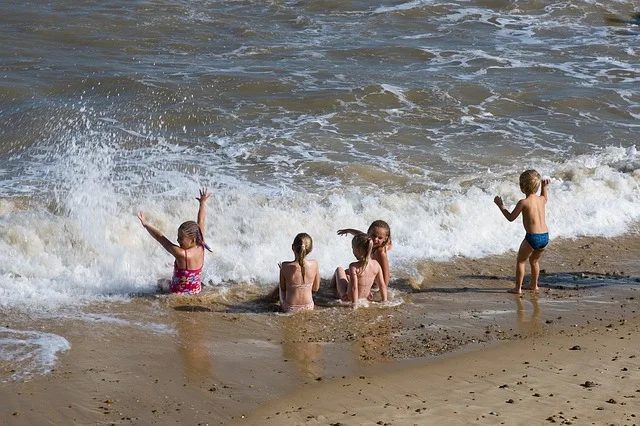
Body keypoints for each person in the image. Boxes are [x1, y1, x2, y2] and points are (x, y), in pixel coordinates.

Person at [138, 188, 212, 295]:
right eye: (178, 237)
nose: (178, 240)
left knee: (160, 282)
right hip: (196, 291)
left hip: (177, 293)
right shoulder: (201, 244)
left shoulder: (181, 253)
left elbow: (160, 237)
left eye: (181, 239)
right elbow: (201, 220)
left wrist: (146, 225)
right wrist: (203, 203)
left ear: (192, 240)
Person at [494, 170, 550, 295]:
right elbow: (545, 197)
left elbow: (510, 217)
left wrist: (500, 205)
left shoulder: (523, 202)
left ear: (522, 187)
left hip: (533, 237)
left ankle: (517, 288)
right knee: (534, 261)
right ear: (537, 186)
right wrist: (544, 187)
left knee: (521, 261)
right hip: (545, 236)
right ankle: (534, 285)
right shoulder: (541, 199)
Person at [332, 233, 387, 308]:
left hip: (348, 298)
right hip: (365, 297)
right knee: (347, 276)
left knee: (339, 270)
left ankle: (330, 289)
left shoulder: (354, 266)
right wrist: (384, 301)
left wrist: (355, 304)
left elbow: (354, 288)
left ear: (357, 250)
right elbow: (382, 285)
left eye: (353, 249)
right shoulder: (376, 264)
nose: (353, 252)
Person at [337, 220, 391, 293]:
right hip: (369, 277)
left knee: (342, 273)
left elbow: (386, 275)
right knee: (346, 273)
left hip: (374, 284)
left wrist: (382, 291)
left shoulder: (380, 252)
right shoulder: (368, 241)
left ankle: (338, 293)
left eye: (380, 238)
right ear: (368, 233)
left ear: (385, 239)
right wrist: (348, 230)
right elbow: (359, 234)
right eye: (373, 235)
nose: (375, 239)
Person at [279, 233, 320, 312]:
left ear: (293, 247)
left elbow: (283, 288)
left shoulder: (284, 266)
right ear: (310, 249)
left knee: (280, 287)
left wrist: (281, 270)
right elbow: (315, 288)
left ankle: (267, 299)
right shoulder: (314, 264)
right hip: (309, 306)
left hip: (289, 308)